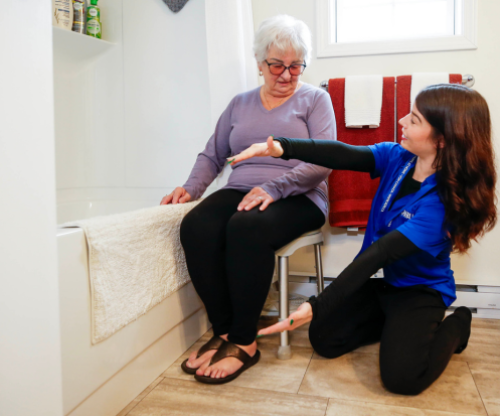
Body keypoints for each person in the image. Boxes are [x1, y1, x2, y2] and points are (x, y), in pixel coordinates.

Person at [231, 84, 497, 395]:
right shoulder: (399, 158)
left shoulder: (441, 205)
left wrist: (316, 304)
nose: (402, 122)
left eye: (414, 119)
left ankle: (458, 325)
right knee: (324, 339)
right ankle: (393, 326)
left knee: (402, 379)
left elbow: (379, 254)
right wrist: (282, 147)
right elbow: (344, 153)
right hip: (382, 284)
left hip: (419, 290)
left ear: (442, 139)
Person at [160, 15, 336, 384]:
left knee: (247, 228)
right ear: (259, 63)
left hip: (301, 195)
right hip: (241, 189)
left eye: (295, 66)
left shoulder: (316, 99)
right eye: (277, 65)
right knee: (196, 225)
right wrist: (191, 188)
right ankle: (223, 330)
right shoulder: (239, 104)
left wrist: (273, 188)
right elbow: (213, 154)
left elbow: (323, 162)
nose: (286, 75)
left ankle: (245, 340)